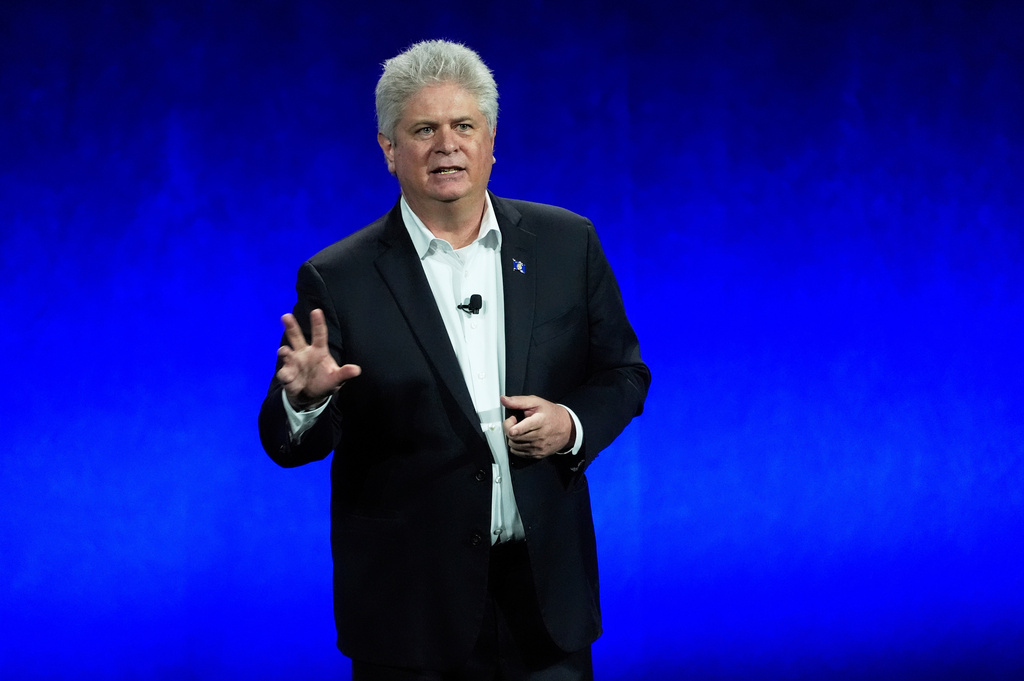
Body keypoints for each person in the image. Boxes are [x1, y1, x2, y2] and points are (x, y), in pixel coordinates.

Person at [258, 39, 650, 681]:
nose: (447, 144)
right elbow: (288, 443)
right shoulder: (339, 278)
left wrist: (571, 424)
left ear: (491, 140)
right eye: (423, 129)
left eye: (463, 126)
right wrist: (307, 401)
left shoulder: (565, 243)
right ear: (389, 150)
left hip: (544, 602)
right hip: (409, 612)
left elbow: (622, 373)